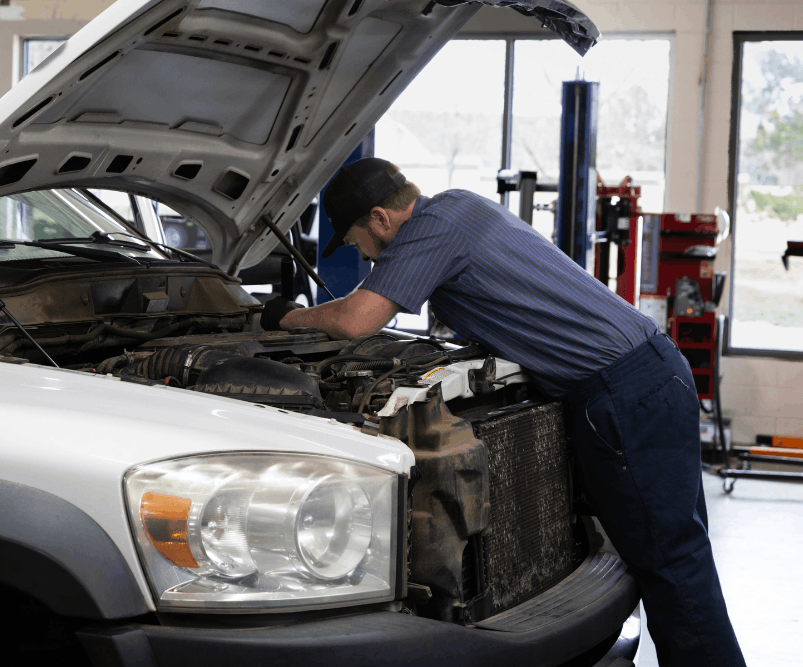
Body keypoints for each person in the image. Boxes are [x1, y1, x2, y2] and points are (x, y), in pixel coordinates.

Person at [261, 157, 746, 667]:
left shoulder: (430, 230)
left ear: (380, 219)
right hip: (648, 378)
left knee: (671, 563)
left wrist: (286, 317)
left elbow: (358, 319)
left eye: (354, 238)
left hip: (625, 394)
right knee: (677, 555)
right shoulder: (458, 207)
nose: (360, 253)